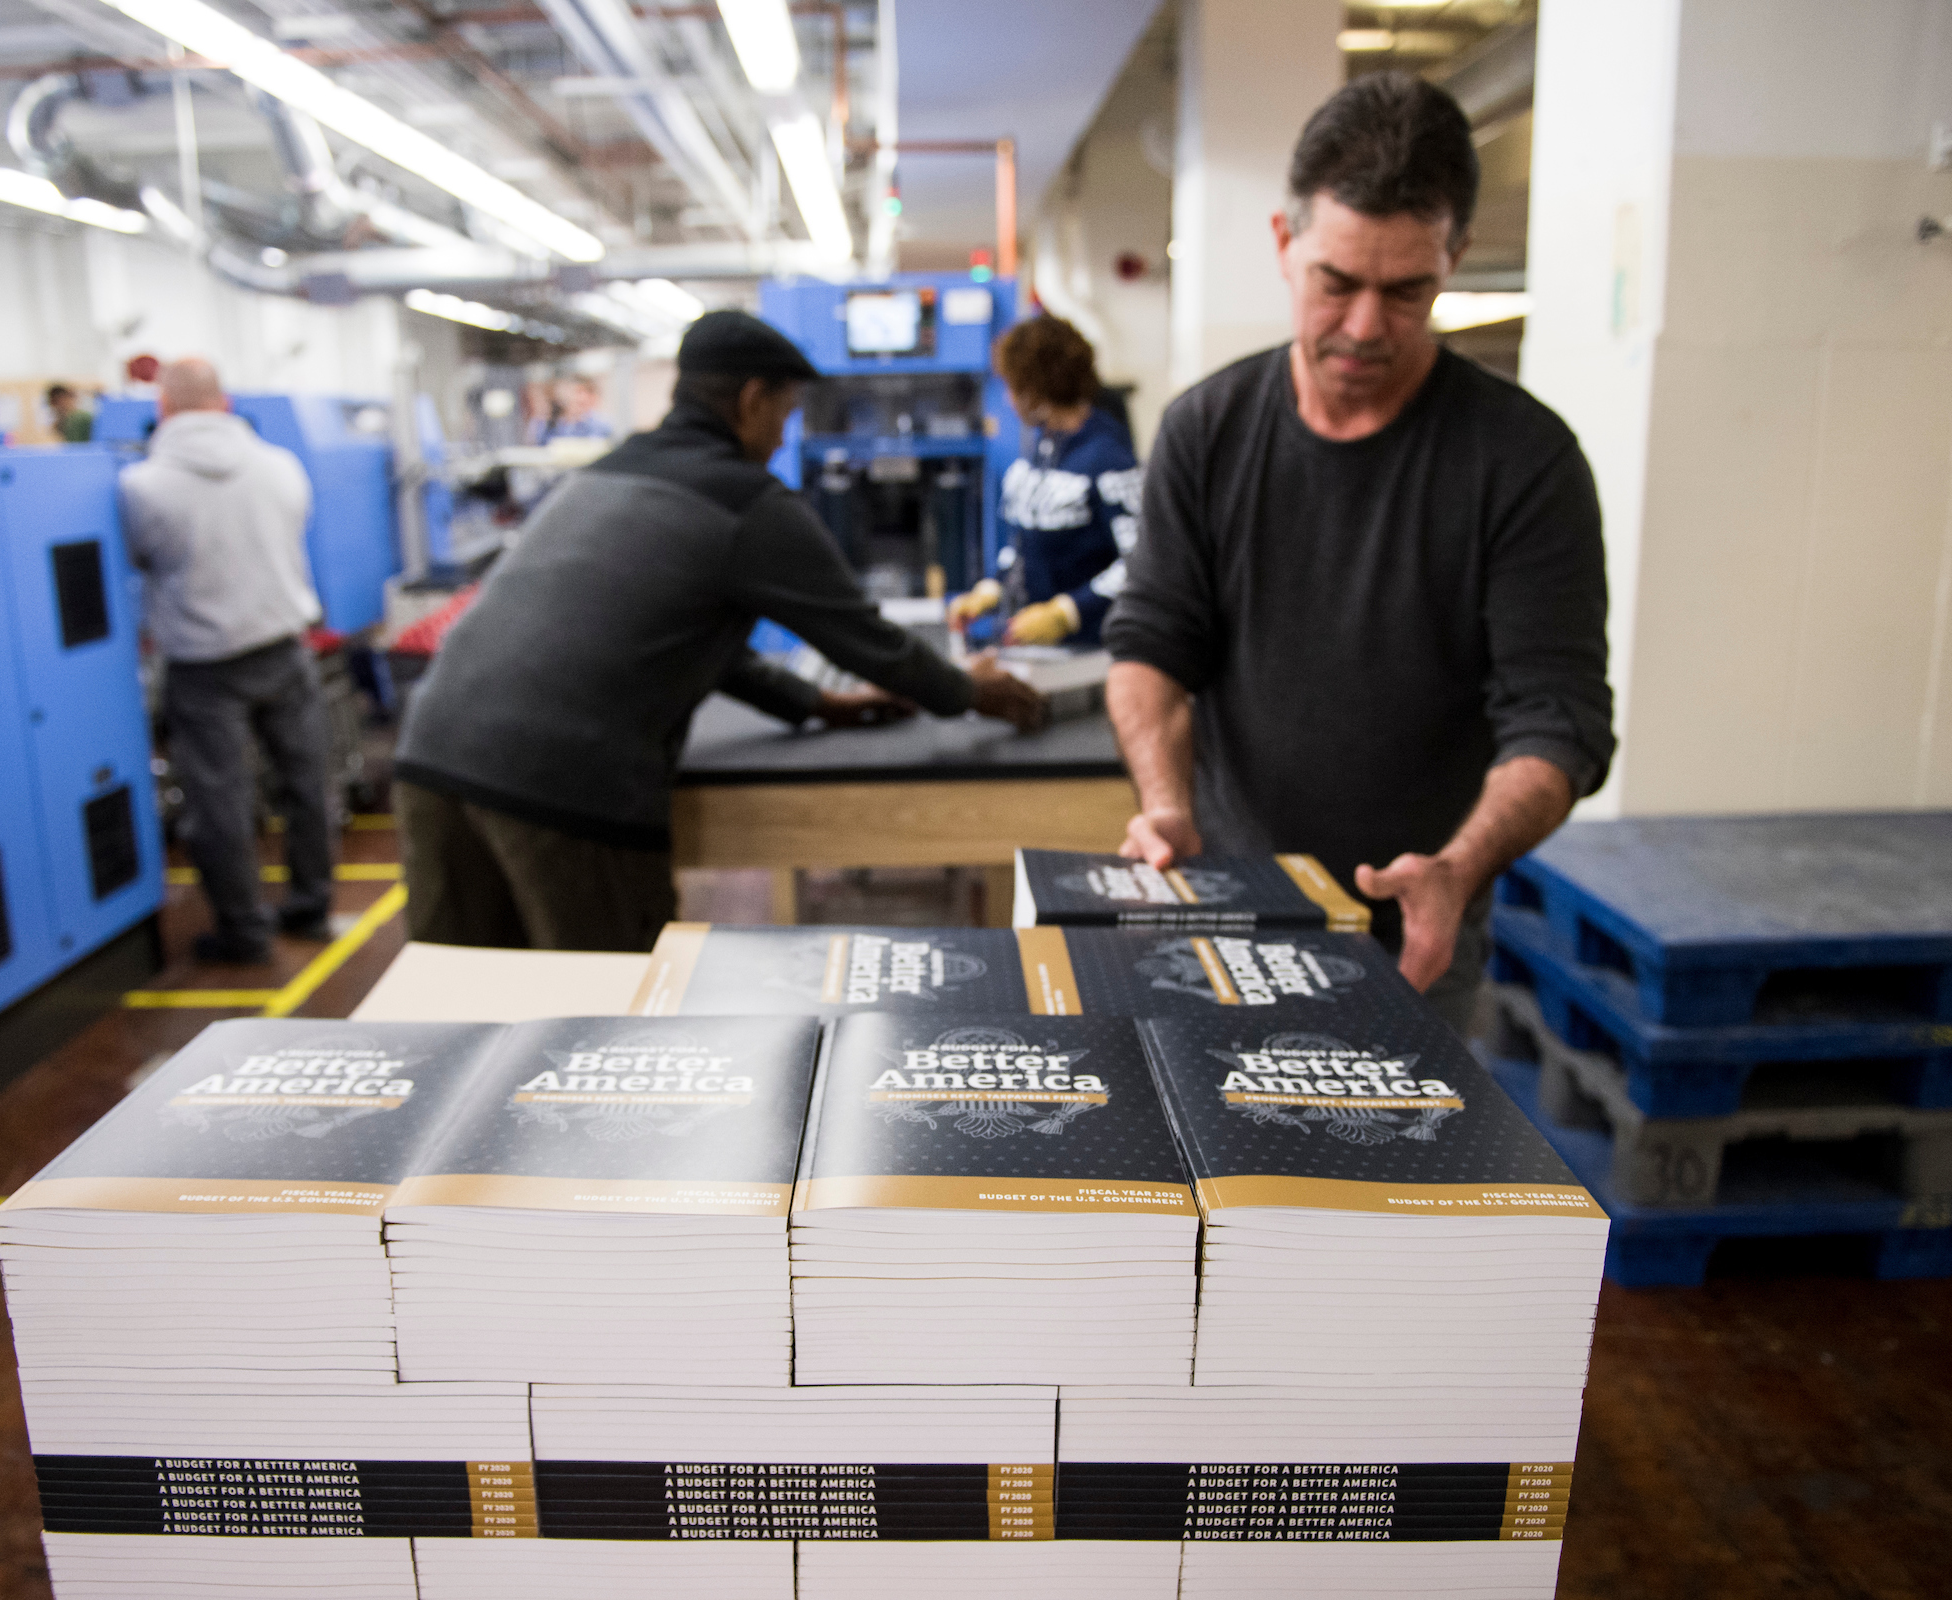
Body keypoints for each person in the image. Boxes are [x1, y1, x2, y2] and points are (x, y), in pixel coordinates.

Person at [1102, 72, 1615, 1034]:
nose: (1366, 326)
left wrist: (1460, 868)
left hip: (1420, 925)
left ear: (1454, 257)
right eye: (1336, 284)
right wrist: (1167, 806)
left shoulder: (1523, 461)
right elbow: (1152, 648)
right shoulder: (1205, 431)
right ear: (1284, 243)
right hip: (1223, 897)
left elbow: (1560, 717)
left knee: (1384, 1180)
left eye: (1407, 289)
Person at [392, 310, 1048, 953]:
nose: (782, 437)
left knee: (461, 1017)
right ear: (751, 399)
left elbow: (684, 636)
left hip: (431, 758)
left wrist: (814, 704)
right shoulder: (748, 503)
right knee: (606, 1029)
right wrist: (972, 691)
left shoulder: (605, 472)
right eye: (786, 414)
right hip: (560, 784)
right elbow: (865, 640)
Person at [119, 356, 334, 966]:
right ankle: (311, 906)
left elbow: (141, 560)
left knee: (220, 802)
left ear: (162, 408)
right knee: (304, 786)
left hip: (204, 662)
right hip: (283, 646)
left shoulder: (142, 486)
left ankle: (243, 931)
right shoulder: (281, 468)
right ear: (226, 401)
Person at [947, 315, 1143, 648]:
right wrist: (991, 589)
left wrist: (1067, 612)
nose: (1009, 400)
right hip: (1045, 649)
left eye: (1011, 386)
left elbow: (1140, 560)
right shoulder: (1044, 446)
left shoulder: (1108, 456)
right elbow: (1024, 542)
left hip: (1095, 648)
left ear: (1032, 390)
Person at [544, 375, 616, 442]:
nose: (581, 398)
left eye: (586, 393)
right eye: (577, 392)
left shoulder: (602, 425)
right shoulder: (554, 425)